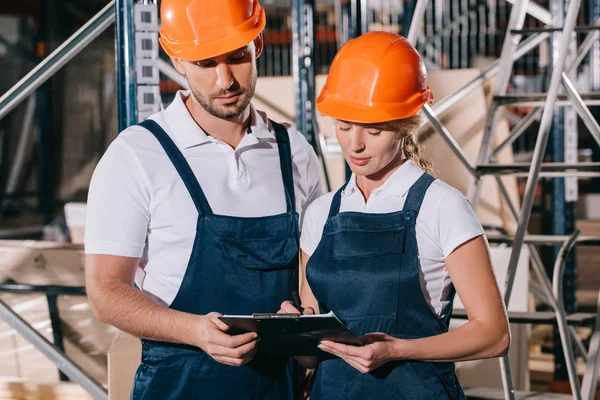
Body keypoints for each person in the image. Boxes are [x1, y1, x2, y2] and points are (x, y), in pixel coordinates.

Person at [84, 0, 322, 398]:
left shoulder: (294, 152)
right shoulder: (137, 155)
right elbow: (106, 291)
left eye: (237, 57)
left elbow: (312, 266)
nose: (225, 80)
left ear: (258, 43)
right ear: (177, 59)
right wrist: (194, 330)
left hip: (277, 386)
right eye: (206, 63)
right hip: (179, 383)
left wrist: (306, 328)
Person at [280, 32, 510, 399]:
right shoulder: (320, 214)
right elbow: (311, 359)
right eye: (343, 126)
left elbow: (494, 334)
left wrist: (398, 349)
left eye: (373, 130)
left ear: (405, 125)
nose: (355, 144)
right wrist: (295, 331)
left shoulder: (442, 206)